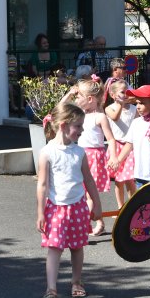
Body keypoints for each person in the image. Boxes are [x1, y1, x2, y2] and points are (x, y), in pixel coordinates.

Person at [36, 102, 102, 298]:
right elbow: (42, 185)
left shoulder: (79, 152)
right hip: (56, 208)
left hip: (78, 207)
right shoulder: (47, 152)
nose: (82, 130)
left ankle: (76, 281)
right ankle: (51, 288)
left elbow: (89, 180)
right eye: (78, 126)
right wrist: (40, 213)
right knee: (54, 248)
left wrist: (97, 205)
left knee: (77, 246)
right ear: (64, 125)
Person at [58, 76, 116, 236]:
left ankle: (82, 226)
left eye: (79, 96)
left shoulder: (100, 117)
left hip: (94, 157)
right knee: (82, 192)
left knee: (90, 194)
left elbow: (111, 139)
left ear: (90, 99)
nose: (76, 99)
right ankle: (98, 222)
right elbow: (61, 108)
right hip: (80, 155)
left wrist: (113, 156)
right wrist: (70, 93)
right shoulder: (80, 114)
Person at [107, 84, 150, 190]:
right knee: (142, 200)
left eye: (142, 103)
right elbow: (129, 144)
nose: (138, 106)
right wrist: (118, 160)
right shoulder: (136, 122)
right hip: (140, 173)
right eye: (137, 103)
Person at [104, 79, 138, 207]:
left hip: (130, 147)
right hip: (116, 147)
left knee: (130, 179)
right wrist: (120, 104)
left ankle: (132, 206)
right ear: (113, 95)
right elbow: (115, 117)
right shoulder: (109, 108)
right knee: (119, 180)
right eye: (122, 92)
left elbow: (137, 124)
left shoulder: (134, 109)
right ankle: (120, 207)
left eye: (127, 92)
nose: (125, 94)